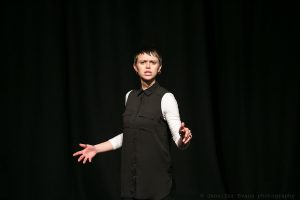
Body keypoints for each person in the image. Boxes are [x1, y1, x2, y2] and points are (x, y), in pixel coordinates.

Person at [73, 46, 192, 200]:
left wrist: (184, 138)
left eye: (153, 62)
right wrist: (96, 148)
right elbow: (130, 134)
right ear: (135, 67)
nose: (148, 66)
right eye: (143, 62)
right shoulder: (129, 96)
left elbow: (179, 140)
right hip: (130, 184)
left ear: (159, 67)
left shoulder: (166, 98)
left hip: (157, 187)